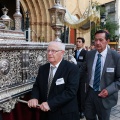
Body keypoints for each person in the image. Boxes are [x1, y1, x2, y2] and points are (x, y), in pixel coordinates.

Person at [28, 41, 80, 120]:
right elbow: (37, 86)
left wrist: (50, 104)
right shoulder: (43, 68)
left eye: (53, 51)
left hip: (64, 114)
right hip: (46, 114)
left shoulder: (72, 68)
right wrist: (34, 97)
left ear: (62, 53)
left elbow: (70, 92)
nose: (49, 53)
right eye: (48, 51)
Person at [80, 30, 120, 120]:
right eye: (96, 40)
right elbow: (81, 70)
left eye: (101, 40)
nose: (97, 43)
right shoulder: (89, 54)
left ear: (107, 41)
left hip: (106, 96)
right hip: (90, 93)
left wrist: (108, 90)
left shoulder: (116, 57)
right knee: (89, 116)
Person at [74, 37, 87, 119]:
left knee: (82, 94)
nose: (78, 43)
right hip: (74, 76)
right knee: (75, 93)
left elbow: (85, 64)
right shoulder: (73, 52)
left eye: (79, 42)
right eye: (77, 41)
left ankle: (82, 110)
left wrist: (76, 62)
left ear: (83, 43)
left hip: (82, 77)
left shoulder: (86, 53)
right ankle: (77, 109)